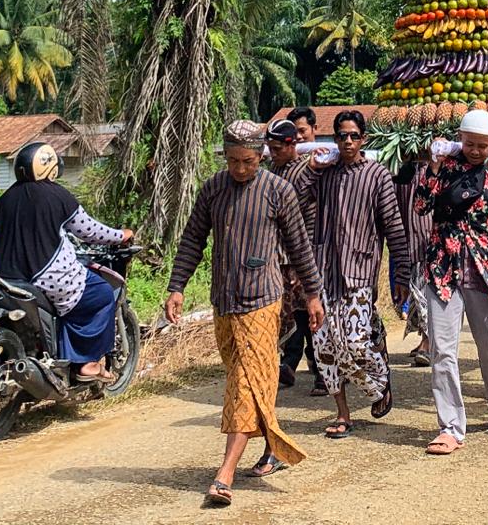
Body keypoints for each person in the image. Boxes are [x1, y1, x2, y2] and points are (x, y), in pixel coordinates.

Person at [165, 120, 324, 506]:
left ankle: (225, 474)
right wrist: (177, 286)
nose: (240, 169)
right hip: (224, 300)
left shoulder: (278, 191)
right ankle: (271, 443)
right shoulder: (213, 190)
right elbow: (193, 239)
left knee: (243, 382)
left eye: (249, 161)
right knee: (250, 380)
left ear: (262, 155)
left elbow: (300, 247)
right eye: (234, 161)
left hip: (263, 300)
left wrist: (314, 294)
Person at [414, 110, 488, 453]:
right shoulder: (444, 167)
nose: (475, 150)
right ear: (459, 138)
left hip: (485, 270)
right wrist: (432, 168)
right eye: (469, 143)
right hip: (443, 269)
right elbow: (421, 205)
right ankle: (450, 427)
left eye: (482, 145)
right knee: (442, 350)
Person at [301, 110, 411, 439]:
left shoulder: (376, 175)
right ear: (333, 138)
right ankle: (342, 413)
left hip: (359, 272)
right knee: (324, 348)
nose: (348, 141)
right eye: (341, 136)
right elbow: (295, 196)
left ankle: (380, 382)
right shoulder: (325, 173)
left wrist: (401, 273)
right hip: (324, 273)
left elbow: (393, 225)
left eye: (353, 136)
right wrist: (312, 169)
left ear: (363, 138)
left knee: (354, 345)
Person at [0, 142, 132, 384]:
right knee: (102, 294)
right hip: (46, 278)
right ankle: (89, 363)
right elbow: (89, 231)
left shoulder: (5, 198)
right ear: (50, 168)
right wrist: (122, 235)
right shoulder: (57, 195)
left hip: (2, 278)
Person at [266, 119, 324, 395]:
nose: (273, 153)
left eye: (278, 148)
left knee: (310, 313)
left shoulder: (306, 170)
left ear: (292, 145)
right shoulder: (271, 170)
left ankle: (323, 371)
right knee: (289, 315)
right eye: (270, 148)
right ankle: (288, 365)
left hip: (304, 254)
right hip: (278, 256)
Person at [394, 160, 434, 366]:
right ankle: (424, 339)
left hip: (431, 243)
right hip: (408, 241)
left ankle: (429, 343)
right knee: (416, 291)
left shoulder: (437, 165)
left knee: (426, 294)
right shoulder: (403, 167)